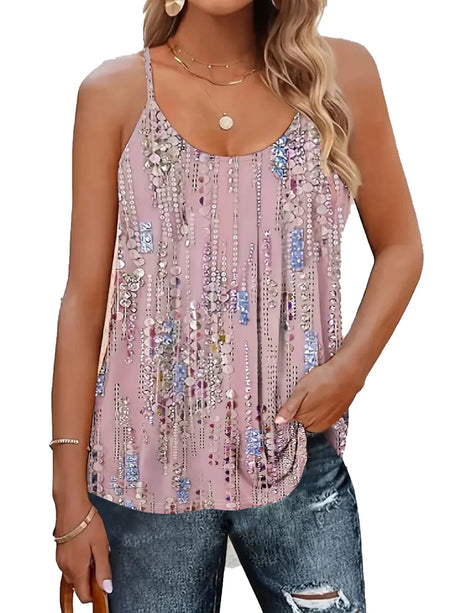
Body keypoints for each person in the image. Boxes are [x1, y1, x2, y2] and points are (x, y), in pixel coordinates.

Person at [50, 1, 423, 611]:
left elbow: (402, 246)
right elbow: (83, 303)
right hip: (143, 475)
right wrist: (68, 500)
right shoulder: (114, 95)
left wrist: (349, 370)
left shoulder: (339, 77)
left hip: (296, 456)